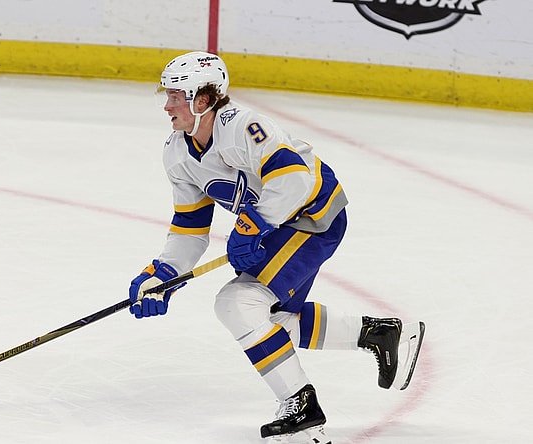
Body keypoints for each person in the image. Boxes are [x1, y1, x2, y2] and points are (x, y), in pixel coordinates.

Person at [127, 51, 425, 443]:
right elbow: (190, 227)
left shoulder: (243, 127)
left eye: (175, 96)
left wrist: (252, 225)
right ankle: (378, 334)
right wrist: (163, 273)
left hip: (312, 217)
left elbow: (294, 179)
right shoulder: (177, 154)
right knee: (272, 322)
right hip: (279, 227)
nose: (167, 105)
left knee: (237, 304)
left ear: (203, 99)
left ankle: (302, 409)